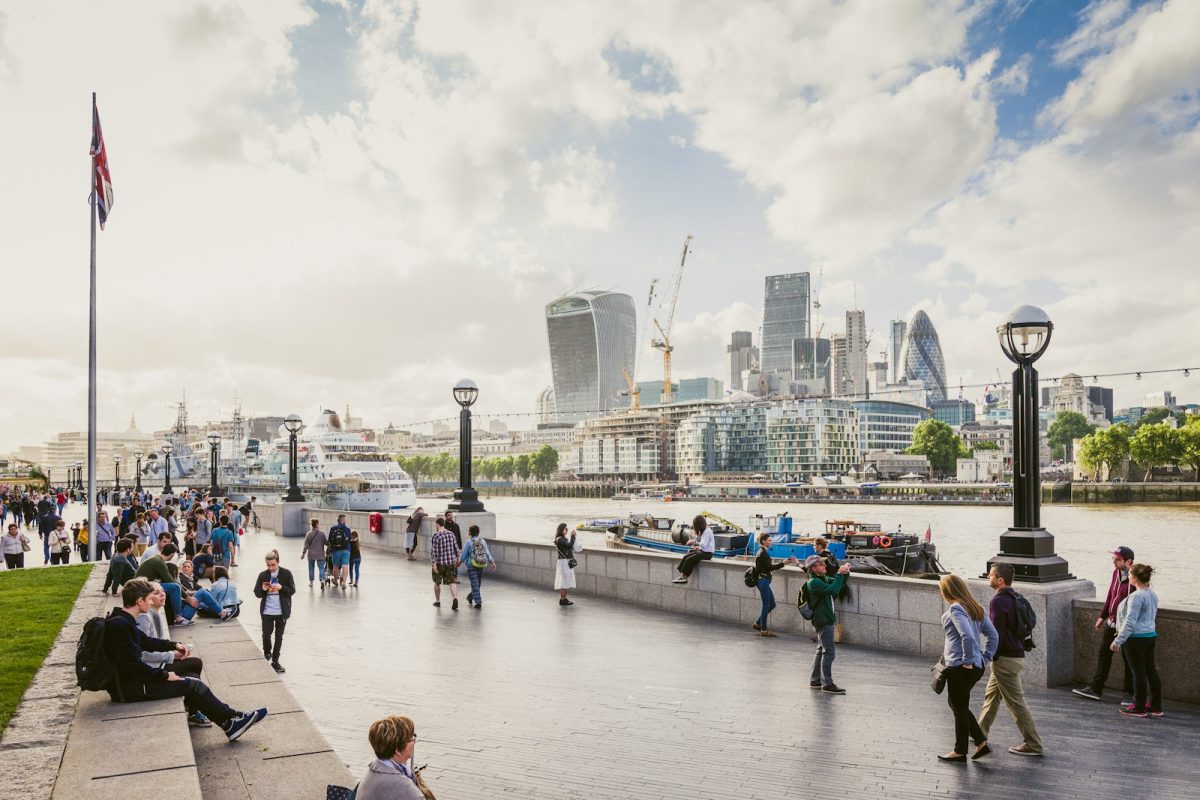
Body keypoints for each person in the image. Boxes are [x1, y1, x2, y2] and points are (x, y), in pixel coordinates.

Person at [102, 578, 268, 740]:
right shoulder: (121, 626)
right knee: (192, 684)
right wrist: (166, 676)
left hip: (133, 682)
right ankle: (231, 723)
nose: (150, 600)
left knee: (192, 678)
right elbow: (134, 666)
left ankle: (233, 719)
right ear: (140, 601)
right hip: (129, 689)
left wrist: (174, 645)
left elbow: (146, 641)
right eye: (148, 598)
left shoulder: (123, 620)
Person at [978, 563, 1044, 756]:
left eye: (991, 575)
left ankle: (1033, 744)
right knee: (991, 696)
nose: (988, 578)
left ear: (1000, 580)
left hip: (1005, 660)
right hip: (1015, 654)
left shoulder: (998, 601)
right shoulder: (1017, 597)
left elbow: (995, 634)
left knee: (1016, 703)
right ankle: (979, 732)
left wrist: (989, 656)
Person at [938, 574, 999, 763]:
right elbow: (994, 636)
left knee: (959, 708)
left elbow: (968, 637)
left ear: (948, 591)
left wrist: (966, 660)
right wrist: (985, 658)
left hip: (961, 667)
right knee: (958, 705)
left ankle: (960, 751)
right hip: (976, 666)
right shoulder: (976, 608)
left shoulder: (956, 608)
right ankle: (980, 742)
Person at [1074, 546, 1136, 704]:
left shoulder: (1136, 578)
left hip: (1128, 627)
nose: (1114, 562)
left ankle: (1129, 693)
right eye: (1114, 559)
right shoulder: (1116, 573)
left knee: (1129, 660)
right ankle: (1096, 689)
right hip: (1112, 623)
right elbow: (1111, 594)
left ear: (1129, 562)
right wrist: (1103, 615)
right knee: (1104, 655)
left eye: (1118, 559)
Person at [1112, 563, 1162, 718]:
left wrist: (1118, 641)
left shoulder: (1136, 597)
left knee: (1138, 673)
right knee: (1151, 671)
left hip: (1135, 639)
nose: (1128, 576)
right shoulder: (1152, 594)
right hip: (1150, 636)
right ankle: (1155, 706)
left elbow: (1130, 622)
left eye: (1130, 574)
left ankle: (1138, 707)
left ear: (1134, 578)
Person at [804, 554, 851, 692]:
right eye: (821, 564)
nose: (825, 565)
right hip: (823, 619)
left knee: (821, 650)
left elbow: (839, 583)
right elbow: (833, 589)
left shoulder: (821, 579)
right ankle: (827, 683)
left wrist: (845, 573)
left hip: (824, 618)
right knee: (829, 652)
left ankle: (815, 680)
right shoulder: (814, 583)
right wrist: (838, 573)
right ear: (813, 568)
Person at [357, 715, 430, 800]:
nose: (414, 741)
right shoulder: (406, 789)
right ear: (397, 750)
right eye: (411, 739)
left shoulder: (375, 769)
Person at [253, 550, 295, 674]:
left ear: (278, 562)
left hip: (282, 611)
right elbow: (257, 593)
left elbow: (292, 590)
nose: (271, 568)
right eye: (268, 565)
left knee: (279, 636)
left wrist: (281, 588)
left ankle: (275, 661)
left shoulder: (286, 574)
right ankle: (267, 653)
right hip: (267, 611)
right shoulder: (263, 575)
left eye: (273, 565)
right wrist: (263, 589)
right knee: (266, 635)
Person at [750, 532, 799, 637]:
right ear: (763, 541)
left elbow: (766, 567)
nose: (770, 542)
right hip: (762, 581)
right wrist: (783, 563)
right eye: (769, 540)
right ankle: (763, 629)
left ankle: (758, 624)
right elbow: (769, 568)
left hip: (763, 581)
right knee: (766, 604)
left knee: (771, 604)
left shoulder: (761, 551)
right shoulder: (762, 553)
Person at [134, 544, 188, 625]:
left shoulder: (157, 559)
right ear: (172, 554)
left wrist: (186, 591)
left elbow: (170, 579)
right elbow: (171, 581)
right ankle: (178, 617)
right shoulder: (159, 562)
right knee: (175, 587)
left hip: (143, 584)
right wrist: (187, 597)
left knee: (174, 586)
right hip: (141, 587)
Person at [460, 524, 496, 609]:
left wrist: (459, 562)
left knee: (475, 584)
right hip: (481, 564)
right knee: (477, 584)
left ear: (470, 532)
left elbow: (464, 555)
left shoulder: (469, 542)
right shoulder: (482, 541)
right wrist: (492, 562)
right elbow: (487, 552)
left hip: (471, 564)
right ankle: (475, 599)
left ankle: (476, 600)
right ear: (478, 532)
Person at [672, 515, 714, 585]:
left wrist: (693, 542)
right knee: (687, 556)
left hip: (708, 554)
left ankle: (684, 578)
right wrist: (698, 547)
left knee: (689, 559)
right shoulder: (705, 530)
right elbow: (705, 545)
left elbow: (704, 544)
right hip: (704, 551)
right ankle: (682, 576)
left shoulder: (707, 531)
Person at [430, 518, 460, 609]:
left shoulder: (436, 535)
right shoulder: (451, 534)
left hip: (440, 563)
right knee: (452, 582)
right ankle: (455, 598)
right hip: (450, 562)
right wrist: (458, 559)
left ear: (438, 524)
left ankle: (438, 601)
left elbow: (434, 551)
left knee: (437, 582)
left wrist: (434, 564)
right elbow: (456, 548)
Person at [554, 522, 577, 606]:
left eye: (567, 529)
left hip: (565, 561)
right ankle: (562, 599)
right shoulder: (560, 539)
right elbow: (569, 546)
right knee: (564, 581)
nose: (567, 530)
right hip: (564, 562)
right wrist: (573, 536)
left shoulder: (562, 538)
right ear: (561, 530)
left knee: (566, 580)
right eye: (565, 529)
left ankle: (564, 598)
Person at [301, 519, 328, 588]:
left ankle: (311, 583)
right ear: (317, 524)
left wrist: (303, 554)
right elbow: (326, 543)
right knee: (321, 568)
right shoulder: (322, 533)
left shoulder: (309, 533)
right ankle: (322, 580)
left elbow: (306, 545)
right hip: (320, 554)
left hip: (311, 554)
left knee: (311, 568)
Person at [328, 514, 352, 589]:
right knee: (345, 565)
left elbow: (329, 540)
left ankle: (335, 580)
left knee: (335, 567)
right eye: (345, 520)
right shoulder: (347, 529)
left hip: (336, 551)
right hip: (346, 550)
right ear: (343, 521)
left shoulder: (333, 529)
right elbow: (349, 540)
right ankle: (344, 583)